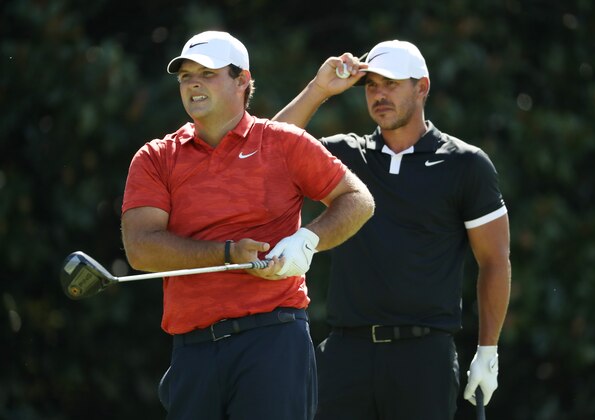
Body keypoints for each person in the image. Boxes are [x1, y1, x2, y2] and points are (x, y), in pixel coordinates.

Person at [120, 30, 375, 420]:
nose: (192, 83)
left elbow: (358, 199)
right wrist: (226, 253)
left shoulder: (283, 143)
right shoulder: (156, 158)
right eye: (185, 76)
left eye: (206, 73)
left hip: (273, 339)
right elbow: (141, 248)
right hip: (193, 349)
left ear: (242, 80)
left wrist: (308, 240)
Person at [273, 39, 511, 419]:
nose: (379, 94)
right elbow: (269, 149)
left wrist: (488, 351)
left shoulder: (466, 165)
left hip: (424, 357)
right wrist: (319, 90)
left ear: (422, 87)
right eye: (371, 85)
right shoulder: (346, 155)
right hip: (345, 354)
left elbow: (495, 261)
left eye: (392, 84)